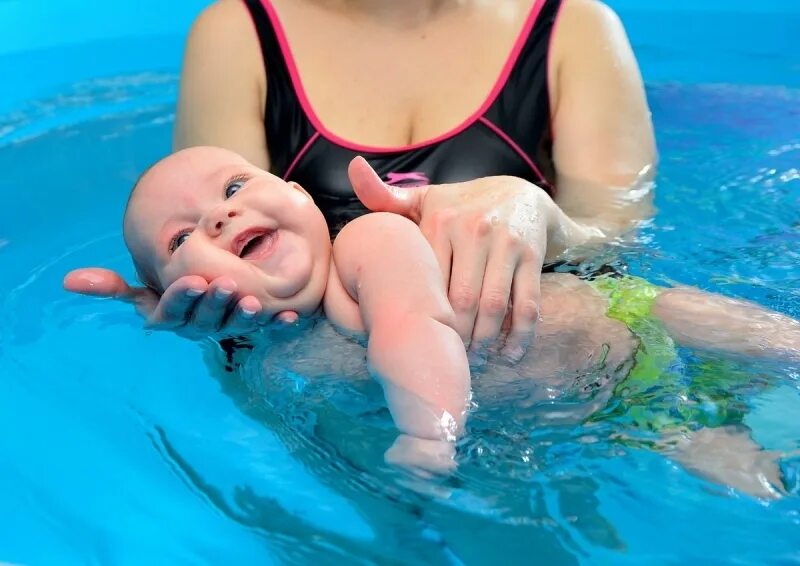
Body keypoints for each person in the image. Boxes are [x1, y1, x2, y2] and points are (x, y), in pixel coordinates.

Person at [66, 146, 800, 491]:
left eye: (235, 185)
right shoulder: (273, 352)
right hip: (597, 409)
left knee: (737, 330)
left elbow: (415, 329)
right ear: (176, 292)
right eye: (182, 236)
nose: (224, 213)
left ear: (296, 191)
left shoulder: (367, 243)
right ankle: (716, 444)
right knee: (740, 477)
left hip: (631, 320)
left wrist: (428, 434)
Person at [64, 0, 657, 361]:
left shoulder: (573, 27)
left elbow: (622, 245)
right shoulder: (238, 34)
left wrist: (534, 210)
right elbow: (206, 238)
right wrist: (211, 314)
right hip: (331, 370)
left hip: (553, 341)